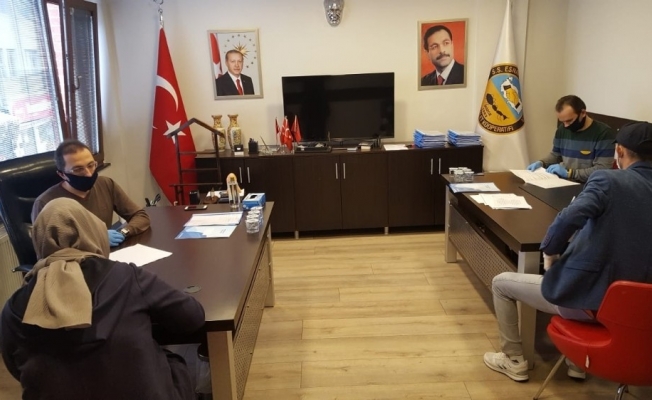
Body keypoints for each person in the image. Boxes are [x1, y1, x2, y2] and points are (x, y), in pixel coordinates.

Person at [483, 121, 652, 382]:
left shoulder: (608, 180)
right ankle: (577, 362)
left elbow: (568, 219)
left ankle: (513, 359)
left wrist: (550, 253)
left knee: (501, 283)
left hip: (596, 305)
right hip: (641, 314)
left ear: (619, 151)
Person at [1, 198, 205, 399]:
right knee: (171, 361)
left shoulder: (13, 308)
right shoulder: (126, 276)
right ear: (92, 229)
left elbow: (15, 368)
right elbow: (192, 317)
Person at [31, 139, 150, 247]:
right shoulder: (45, 203)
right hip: (74, 261)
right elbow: (47, 249)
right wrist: (95, 238)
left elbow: (140, 216)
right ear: (62, 174)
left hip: (107, 254)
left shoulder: (106, 184)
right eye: (78, 169)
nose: (88, 174)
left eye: (91, 165)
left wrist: (123, 232)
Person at [526, 95, 616, 182]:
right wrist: (542, 163)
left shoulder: (604, 133)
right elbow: (556, 155)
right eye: (563, 122)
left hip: (590, 186)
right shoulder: (562, 129)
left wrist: (570, 174)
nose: (566, 126)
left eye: (569, 121)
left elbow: (602, 170)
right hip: (564, 182)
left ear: (583, 113)